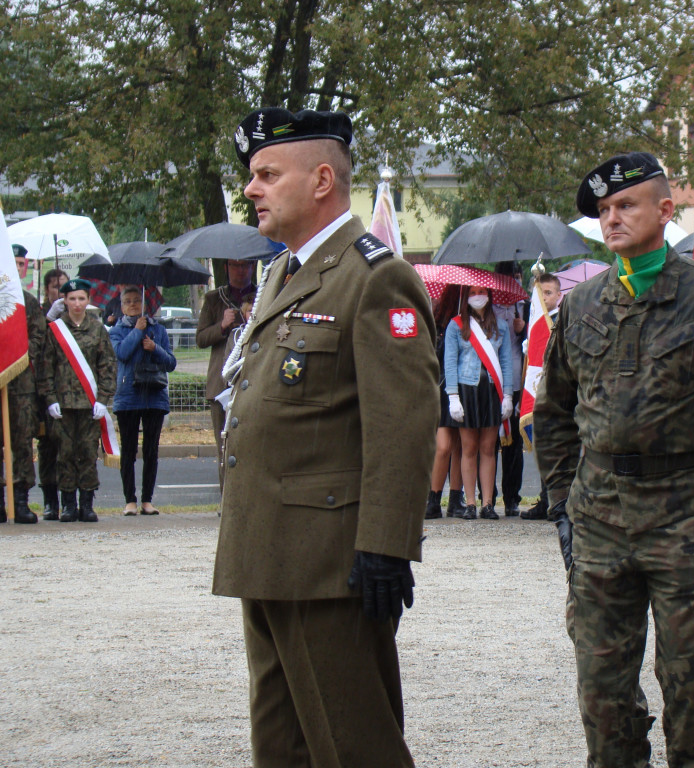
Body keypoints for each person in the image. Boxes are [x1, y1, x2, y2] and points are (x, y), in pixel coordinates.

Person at [534, 152, 694, 767]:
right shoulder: (581, 304)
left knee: (693, 696)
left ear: (666, 212)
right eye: (604, 211)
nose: (612, 218)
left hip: (687, 517)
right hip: (599, 519)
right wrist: (562, 506)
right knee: (602, 694)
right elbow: (555, 413)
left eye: (626, 206)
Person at [212, 107, 438, 766]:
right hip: (268, 550)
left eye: (265, 174)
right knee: (282, 747)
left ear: (319, 181)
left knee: (354, 745)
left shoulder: (373, 276)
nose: (250, 189)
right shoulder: (283, 272)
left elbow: (403, 423)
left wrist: (386, 547)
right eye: (251, 175)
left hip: (331, 564)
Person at [39, 278, 117, 522]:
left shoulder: (97, 329)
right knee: (65, 454)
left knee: (86, 452)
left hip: (89, 404)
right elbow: (46, 368)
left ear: (88, 300)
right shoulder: (55, 330)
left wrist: (103, 399)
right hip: (62, 405)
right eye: (71, 298)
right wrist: (50, 399)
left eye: (81, 298)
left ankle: (87, 503)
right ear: (64, 301)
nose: (76, 303)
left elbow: (107, 366)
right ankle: (68, 504)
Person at [444, 284, 513, 521]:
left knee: (488, 449)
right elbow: (450, 362)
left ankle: (488, 504)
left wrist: (509, 396)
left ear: (489, 295)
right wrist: (452, 397)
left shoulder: (501, 326)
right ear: (466, 298)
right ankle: (470, 503)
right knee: (469, 448)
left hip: (492, 392)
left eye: (480, 292)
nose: (477, 297)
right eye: (472, 293)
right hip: (466, 391)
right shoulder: (456, 325)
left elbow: (506, 364)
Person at [109, 285, 177, 516]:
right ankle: (130, 500)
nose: (133, 305)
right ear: (121, 306)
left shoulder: (158, 330)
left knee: (151, 450)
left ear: (144, 304)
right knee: (128, 450)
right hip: (128, 396)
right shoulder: (116, 330)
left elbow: (170, 362)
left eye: (137, 300)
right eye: (127, 301)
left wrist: (154, 347)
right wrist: (137, 332)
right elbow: (121, 354)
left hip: (154, 395)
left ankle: (147, 500)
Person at [196, 258, 256, 486]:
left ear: (252, 267)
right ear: (226, 268)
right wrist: (221, 326)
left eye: (246, 265)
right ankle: (226, 501)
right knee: (224, 448)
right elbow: (200, 338)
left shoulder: (264, 294)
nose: (240, 270)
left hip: (254, 379)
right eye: (235, 265)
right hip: (221, 384)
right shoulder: (214, 299)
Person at [0, 246, 45, 524]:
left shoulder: (28, 303)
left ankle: (20, 502)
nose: (17, 268)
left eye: (20, 263)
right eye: (11, 263)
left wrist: (16, 358)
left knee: (21, 444)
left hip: (21, 385)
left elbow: (38, 339)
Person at [522, 270, 561, 521]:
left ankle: (559, 500)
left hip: (560, 392)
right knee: (543, 447)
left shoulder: (563, 319)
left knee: (559, 449)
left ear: (559, 295)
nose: (544, 297)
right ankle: (546, 499)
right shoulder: (537, 322)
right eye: (540, 292)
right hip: (540, 392)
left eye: (548, 293)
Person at [425, 284, 466, 519]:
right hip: (442, 389)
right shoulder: (438, 327)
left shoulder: (466, 326)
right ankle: (433, 498)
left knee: (458, 446)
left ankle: (454, 498)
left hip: (459, 388)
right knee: (444, 447)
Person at [493, 260, 527, 516]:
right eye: (510, 277)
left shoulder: (525, 305)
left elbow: (534, 343)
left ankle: (512, 496)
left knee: (514, 442)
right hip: (491, 381)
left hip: (517, 382)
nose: (515, 282)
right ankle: (487, 495)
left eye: (517, 276)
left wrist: (523, 329)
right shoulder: (486, 306)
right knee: (490, 442)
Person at [37, 267, 70, 518]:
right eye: (56, 287)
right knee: (48, 446)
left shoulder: (77, 317)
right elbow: (34, 346)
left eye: (64, 287)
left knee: (70, 447)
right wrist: (49, 319)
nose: (60, 293)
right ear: (47, 290)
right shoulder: (40, 315)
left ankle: (71, 498)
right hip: (46, 391)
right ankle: (50, 500)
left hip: (71, 390)